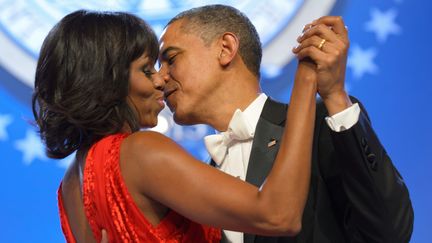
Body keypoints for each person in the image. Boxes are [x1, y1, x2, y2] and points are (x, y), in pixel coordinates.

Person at [32, 10, 321, 243]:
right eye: (147, 69)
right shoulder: (139, 152)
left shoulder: (69, 188)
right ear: (108, 80)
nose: (160, 80)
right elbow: (279, 215)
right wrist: (308, 77)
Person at [158, 4, 414, 243]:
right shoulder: (200, 182)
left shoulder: (320, 123)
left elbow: (390, 231)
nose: (159, 79)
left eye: (171, 59)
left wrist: (335, 96)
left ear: (225, 49)